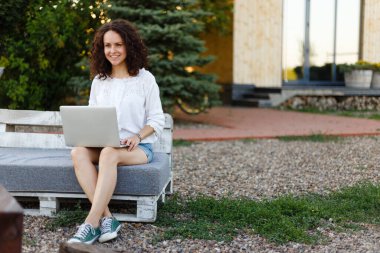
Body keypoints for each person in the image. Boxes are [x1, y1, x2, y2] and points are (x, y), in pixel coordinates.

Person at [67, 19, 165, 244]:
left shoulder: (144, 79)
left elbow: (157, 119)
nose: (113, 50)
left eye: (118, 45)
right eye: (107, 45)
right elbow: (93, 116)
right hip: (106, 144)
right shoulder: (100, 81)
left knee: (109, 153)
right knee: (78, 152)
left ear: (129, 45)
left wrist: (137, 136)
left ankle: (90, 224)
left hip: (139, 147)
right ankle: (108, 219)